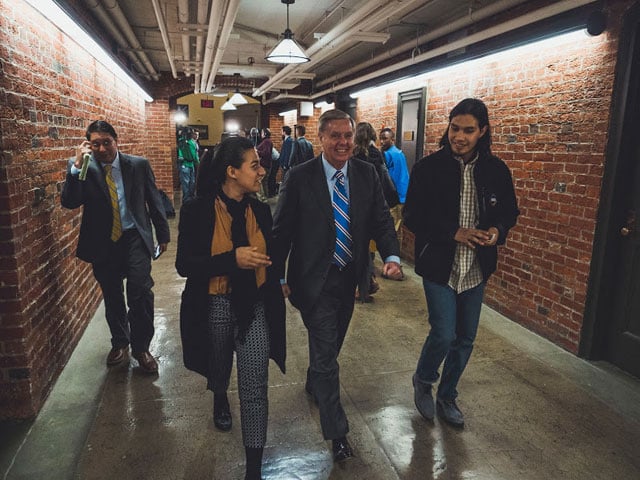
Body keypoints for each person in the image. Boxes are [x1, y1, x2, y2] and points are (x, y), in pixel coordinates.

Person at [272, 109, 402, 462]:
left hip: (351, 278)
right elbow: (281, 229)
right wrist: (279, 276)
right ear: (322, 139)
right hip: (313, 280)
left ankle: (315, 377)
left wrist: (391, 255)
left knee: (329, 350)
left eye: (348, 135)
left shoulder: (366, 173)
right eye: (335, 136)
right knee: (328, 357)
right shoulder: (300, 177)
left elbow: (379, 219)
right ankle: (338, 433)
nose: (343, 143)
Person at [403, 98, 519, 428]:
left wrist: (497, 231)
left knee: (466, 337)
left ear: (482, 131)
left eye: (469, 130)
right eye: (455, 128)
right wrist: (453, 232)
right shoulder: (429, 168)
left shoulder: (496, 170)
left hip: (476, 267)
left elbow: (509, 212)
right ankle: (424, 380)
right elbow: (412, 215)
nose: (460, 136)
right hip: (440, 264)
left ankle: (447, 395)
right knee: (443, 332)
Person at [175, 137, 286, 480]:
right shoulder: (197, 210)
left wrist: (276, 277)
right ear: (231, 172)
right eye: (254, 165)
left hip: (253, 307)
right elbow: (184, 265)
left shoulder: (261, 210)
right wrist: (232, 259)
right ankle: (220, 395)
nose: (262, 170)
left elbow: (272, 254)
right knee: (218, 368)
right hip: (214, 304)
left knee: (255, 388)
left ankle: (254, 468)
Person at [61, 120, 170, 374]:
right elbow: (70, 202)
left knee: (140, 291)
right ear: (88, 145)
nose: (101, 149)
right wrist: (77, 167)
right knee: (112, 294)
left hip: (134, 237)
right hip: (103, 241)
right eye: (95, 144)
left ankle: (141, 347)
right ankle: (120, 342)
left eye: (106, 142)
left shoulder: (138, 165)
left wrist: (162, 234)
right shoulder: (83, 168)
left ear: (116, 141)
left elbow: (153, 200)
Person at [353, 122, 400, 302]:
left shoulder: (354, 155)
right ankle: (366, 283)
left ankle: (365, 283)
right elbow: (384, 179)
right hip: (375, 206)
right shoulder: (376, 154)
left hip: (357, 208)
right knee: (368, 248)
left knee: (362, 248)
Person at [380, 127, 410, 249]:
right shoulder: (399, 153)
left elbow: (390, 178)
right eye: (381, 139)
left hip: (394, 197)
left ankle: (392, 257)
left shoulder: (387, 155)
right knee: (398, 229)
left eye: (385, 139)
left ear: (392, 139)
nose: (382, 142)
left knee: (390, 229)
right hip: (403, 195)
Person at [178, 128, 201, 203]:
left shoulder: (191, 142)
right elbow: (193, 155)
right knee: (187, 184)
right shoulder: (185, 141)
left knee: (191, 183)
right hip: (185, 164)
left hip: (190, 164)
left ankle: (189, 201)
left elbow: (195, 155)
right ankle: (187, 201)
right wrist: (198, 163)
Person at [256, 128, 274, 198]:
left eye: (262, 132)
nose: (261, 134)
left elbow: (266, 153)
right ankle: (265, 196)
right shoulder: (266, 141)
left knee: (262, 182)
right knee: (264, 182)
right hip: (266, 164)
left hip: (265, 165)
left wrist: (257, 152)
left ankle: (264, 197)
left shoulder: (267, 141)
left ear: (265, 134)